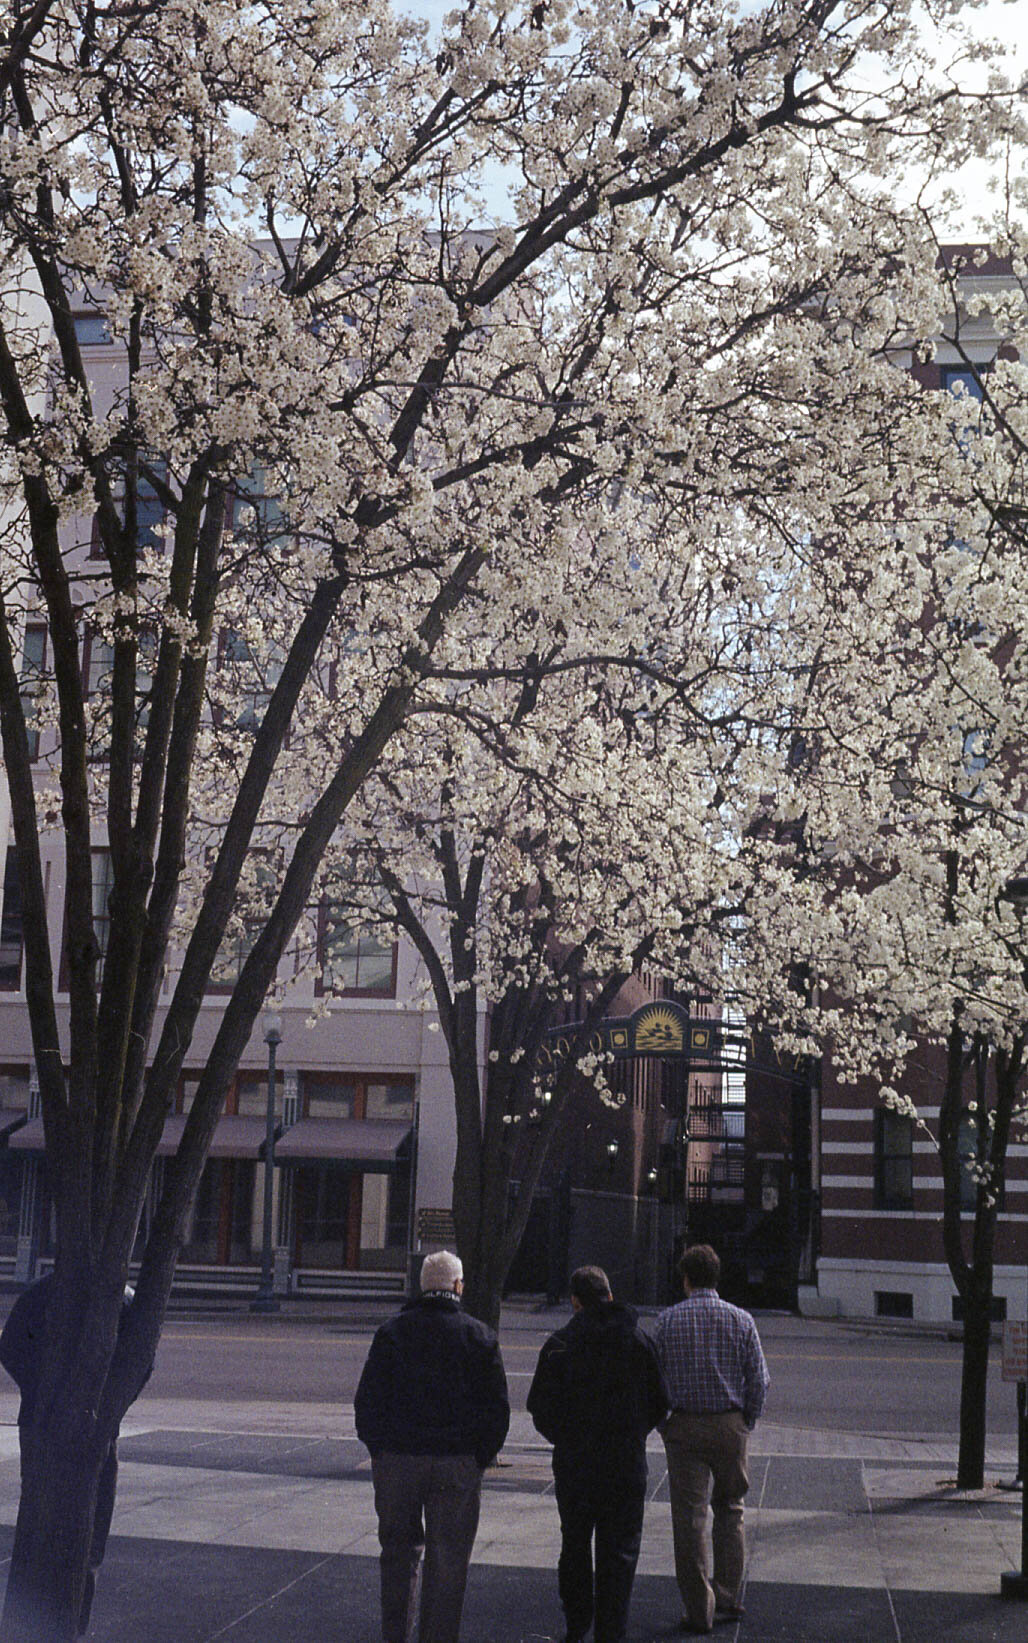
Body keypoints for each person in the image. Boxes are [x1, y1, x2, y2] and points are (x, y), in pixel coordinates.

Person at [354, 1249, 510, 1643]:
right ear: (458, 1287)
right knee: (449, 1561)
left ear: (423, 1286)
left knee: (398, 1555)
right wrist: (479, 1455)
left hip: (398, 1459)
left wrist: (378, 1450)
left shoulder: (392, 1332)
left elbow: (368, 1400)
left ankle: (395, 1635)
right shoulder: (478, 1336)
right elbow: (497, 1409)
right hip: (457, 1461)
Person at [0, 1272, 152, 1635]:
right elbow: (143, 1363)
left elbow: (10, 1348)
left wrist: (43, 1393)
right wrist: (111, 1408)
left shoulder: (44, 1293)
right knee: (90, 1536)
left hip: (43, 1423)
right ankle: (72, 1626)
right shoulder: (123, 1300)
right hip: (93, 1429)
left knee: (42, 1525)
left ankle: (37, 1624)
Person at [526, 1265, 669, 1643]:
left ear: (576, 1301)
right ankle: (611, 1630)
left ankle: (576, 1623)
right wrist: (634, 1432)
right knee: (619, 1551)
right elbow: (661, 1402)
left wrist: (566, 1437)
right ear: (609, 1293)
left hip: (576, 1463)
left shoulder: (560, 1345)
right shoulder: (639, 1341)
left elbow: (539, 1407)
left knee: (574, 1543)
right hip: (625, 1462)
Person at [653, 1244, 770, 1635]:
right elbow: (759, 1380)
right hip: (729, 1425)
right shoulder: (741, 1320)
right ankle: (726, 1594)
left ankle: (698, 1607)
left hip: (684, 1427)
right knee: (730, 1509)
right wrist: (746, 1419)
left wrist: (664, 1423)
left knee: (688, 1520)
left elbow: (654, 1382)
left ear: (685, 1279)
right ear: (717, 1277)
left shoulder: (667, 1321)